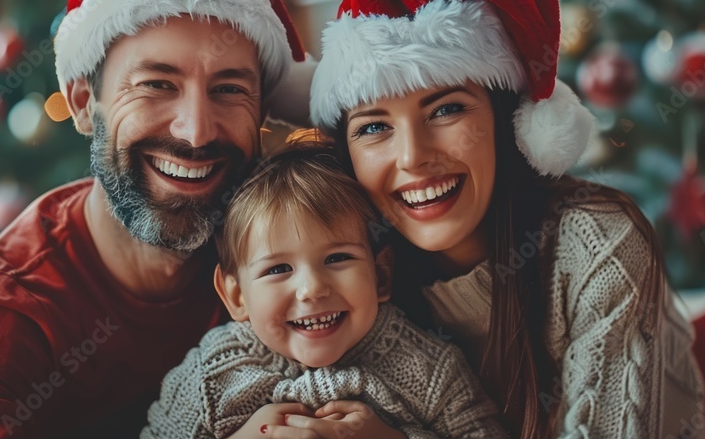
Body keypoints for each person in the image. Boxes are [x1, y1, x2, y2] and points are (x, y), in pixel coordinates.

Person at [0, 0, 315, 438]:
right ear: (84, 103)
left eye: (229, 90)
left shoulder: (302, 249)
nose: (197, 131)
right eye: (157, 85)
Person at [308, 0, 705, 438]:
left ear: (511, 122)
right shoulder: (342, 272)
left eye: (446, 109)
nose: (412, 157)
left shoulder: (595, 248)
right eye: (375, 126)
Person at [140, 141, 508, 439]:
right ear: (237, 296)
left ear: (379, 276)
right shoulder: (210, 375)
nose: (312, 289)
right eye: (278, 269)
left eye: (337, 259)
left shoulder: (430, 370)